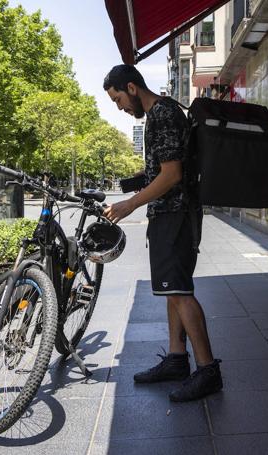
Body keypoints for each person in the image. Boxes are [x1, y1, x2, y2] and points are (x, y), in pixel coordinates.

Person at [102, 64, 222, 402]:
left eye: (118, 99)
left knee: (181, 292)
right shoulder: (158, 115)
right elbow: (162, 168)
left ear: (132, 87)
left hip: (176, 214)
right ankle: (176, 359)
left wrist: (129, 205)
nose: (120, 107)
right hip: (168, 214)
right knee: (172, 289)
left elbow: (171, 175)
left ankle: (208, 370)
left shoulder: (164, 113)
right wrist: (134, 183)